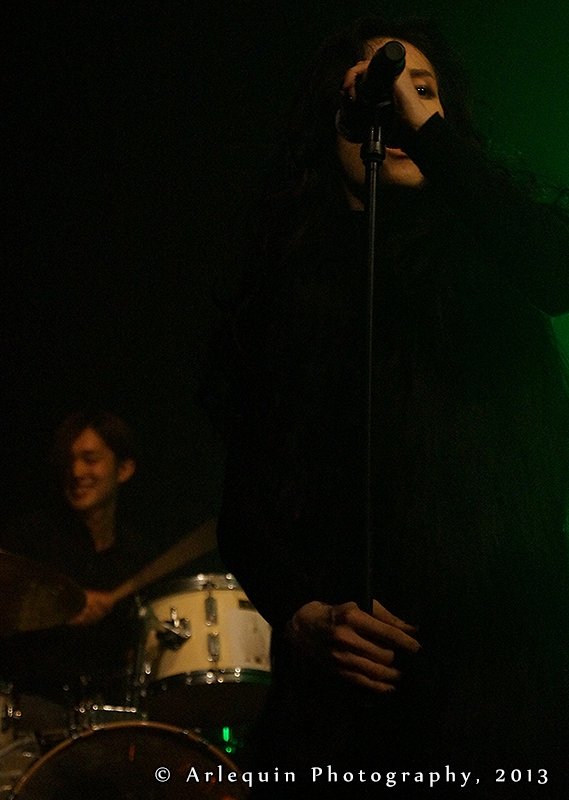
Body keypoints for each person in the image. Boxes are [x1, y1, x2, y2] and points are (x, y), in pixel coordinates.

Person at [214, 14, 569, 799]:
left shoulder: (494, 247)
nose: (398, 106)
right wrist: (301, 613)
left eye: (422, 88)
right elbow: (243, 505)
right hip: (348, 698)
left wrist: (430, 134)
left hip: (503, 684)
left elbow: (555, 271)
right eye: (374, 93)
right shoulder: (288, 291)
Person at [0, 411, 158, 711]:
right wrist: (60, 606)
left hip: (112, 712)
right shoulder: (29, 539)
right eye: (69, 461)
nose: (76, 471)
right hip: (32, 707)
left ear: (124, 469)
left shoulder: (137, 555)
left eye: (90, 459)